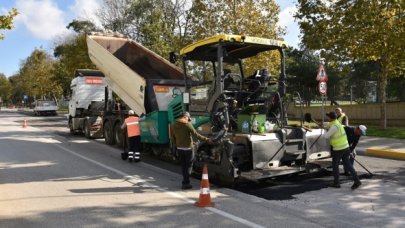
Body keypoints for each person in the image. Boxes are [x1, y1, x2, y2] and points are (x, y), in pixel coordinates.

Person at [171, 111, 212, 190]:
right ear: (186, 117)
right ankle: (186, 183)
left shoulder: (174, 125)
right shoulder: (187, 124)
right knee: (189, 166)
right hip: (188, 149)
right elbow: (196, 134)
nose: (188, 120)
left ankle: (185, 181)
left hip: (180, 149)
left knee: (183, 166)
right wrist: (207, 139)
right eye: (188, 118)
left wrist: (177, 145)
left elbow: (173, 138)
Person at [323, 111, 361, 190]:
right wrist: (324, 126)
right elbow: (327, 124)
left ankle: (336, 183)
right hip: (346, 147)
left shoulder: (334, 127)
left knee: (335, 165)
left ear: (330, 118)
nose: (328, 118)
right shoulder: (337, 123)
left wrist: (323, 132)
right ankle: (357, 180)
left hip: (338, 149)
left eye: (328, 117)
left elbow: (326, 136)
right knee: (348, 164)